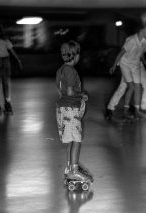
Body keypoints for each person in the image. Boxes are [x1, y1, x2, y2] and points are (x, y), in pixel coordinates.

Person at [56, 40, 93, 183]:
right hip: (70, 111)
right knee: (77, 140)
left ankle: (70, 167)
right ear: (76, 55)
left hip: (63, 109)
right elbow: (70, 92)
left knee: (71, 140)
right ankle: (74, 171)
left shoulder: (60, 70)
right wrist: (82, 95)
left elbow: (61, 92)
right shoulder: (71, 71)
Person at [105, 24, 146, 120]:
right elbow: (121, 53)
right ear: (140, 31)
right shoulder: (131, 40)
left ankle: (142, 108)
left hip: (137, 65)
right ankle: (110, 108)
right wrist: (114, 65)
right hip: (126, 65)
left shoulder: (144, 40)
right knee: (124, 86)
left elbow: (142, 51)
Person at [0, 23, 22, 114]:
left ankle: (8, 104)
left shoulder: (5, 40)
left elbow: (12, 51)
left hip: (6, 62)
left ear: (1, 32)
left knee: (6, 83)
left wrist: (18, 60)